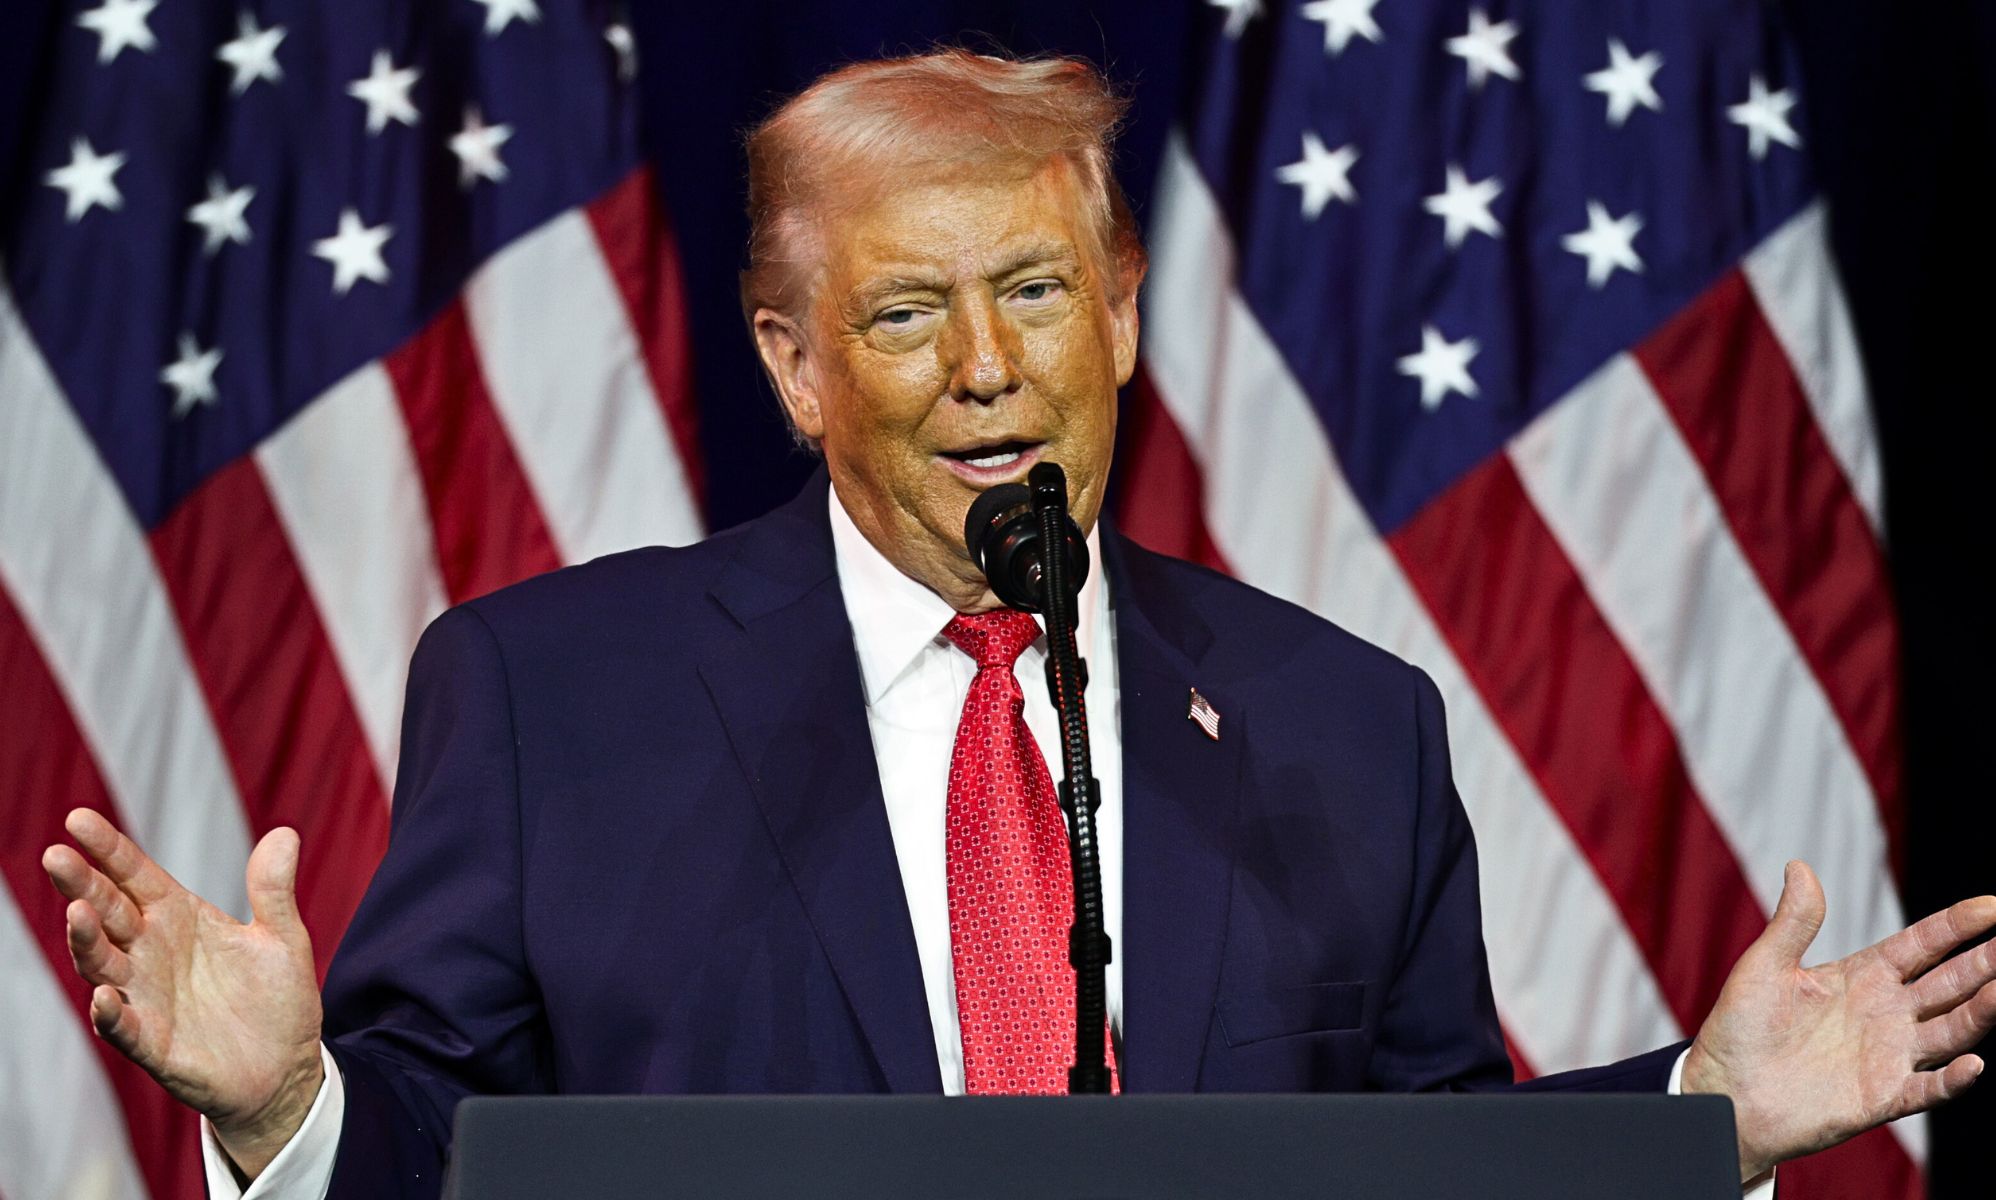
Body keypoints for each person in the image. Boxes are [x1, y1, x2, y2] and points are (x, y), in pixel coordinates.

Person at [41, 50, 1996, 1200]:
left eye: (1038, 296)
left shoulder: (1342, 724)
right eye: (904, 316)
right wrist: (290, 1104)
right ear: (793, 365)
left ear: (1124, 317)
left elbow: (1418, 1175)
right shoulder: (554, 698)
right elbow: (439, 1156)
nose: (986, 372)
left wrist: (1698, 1119)